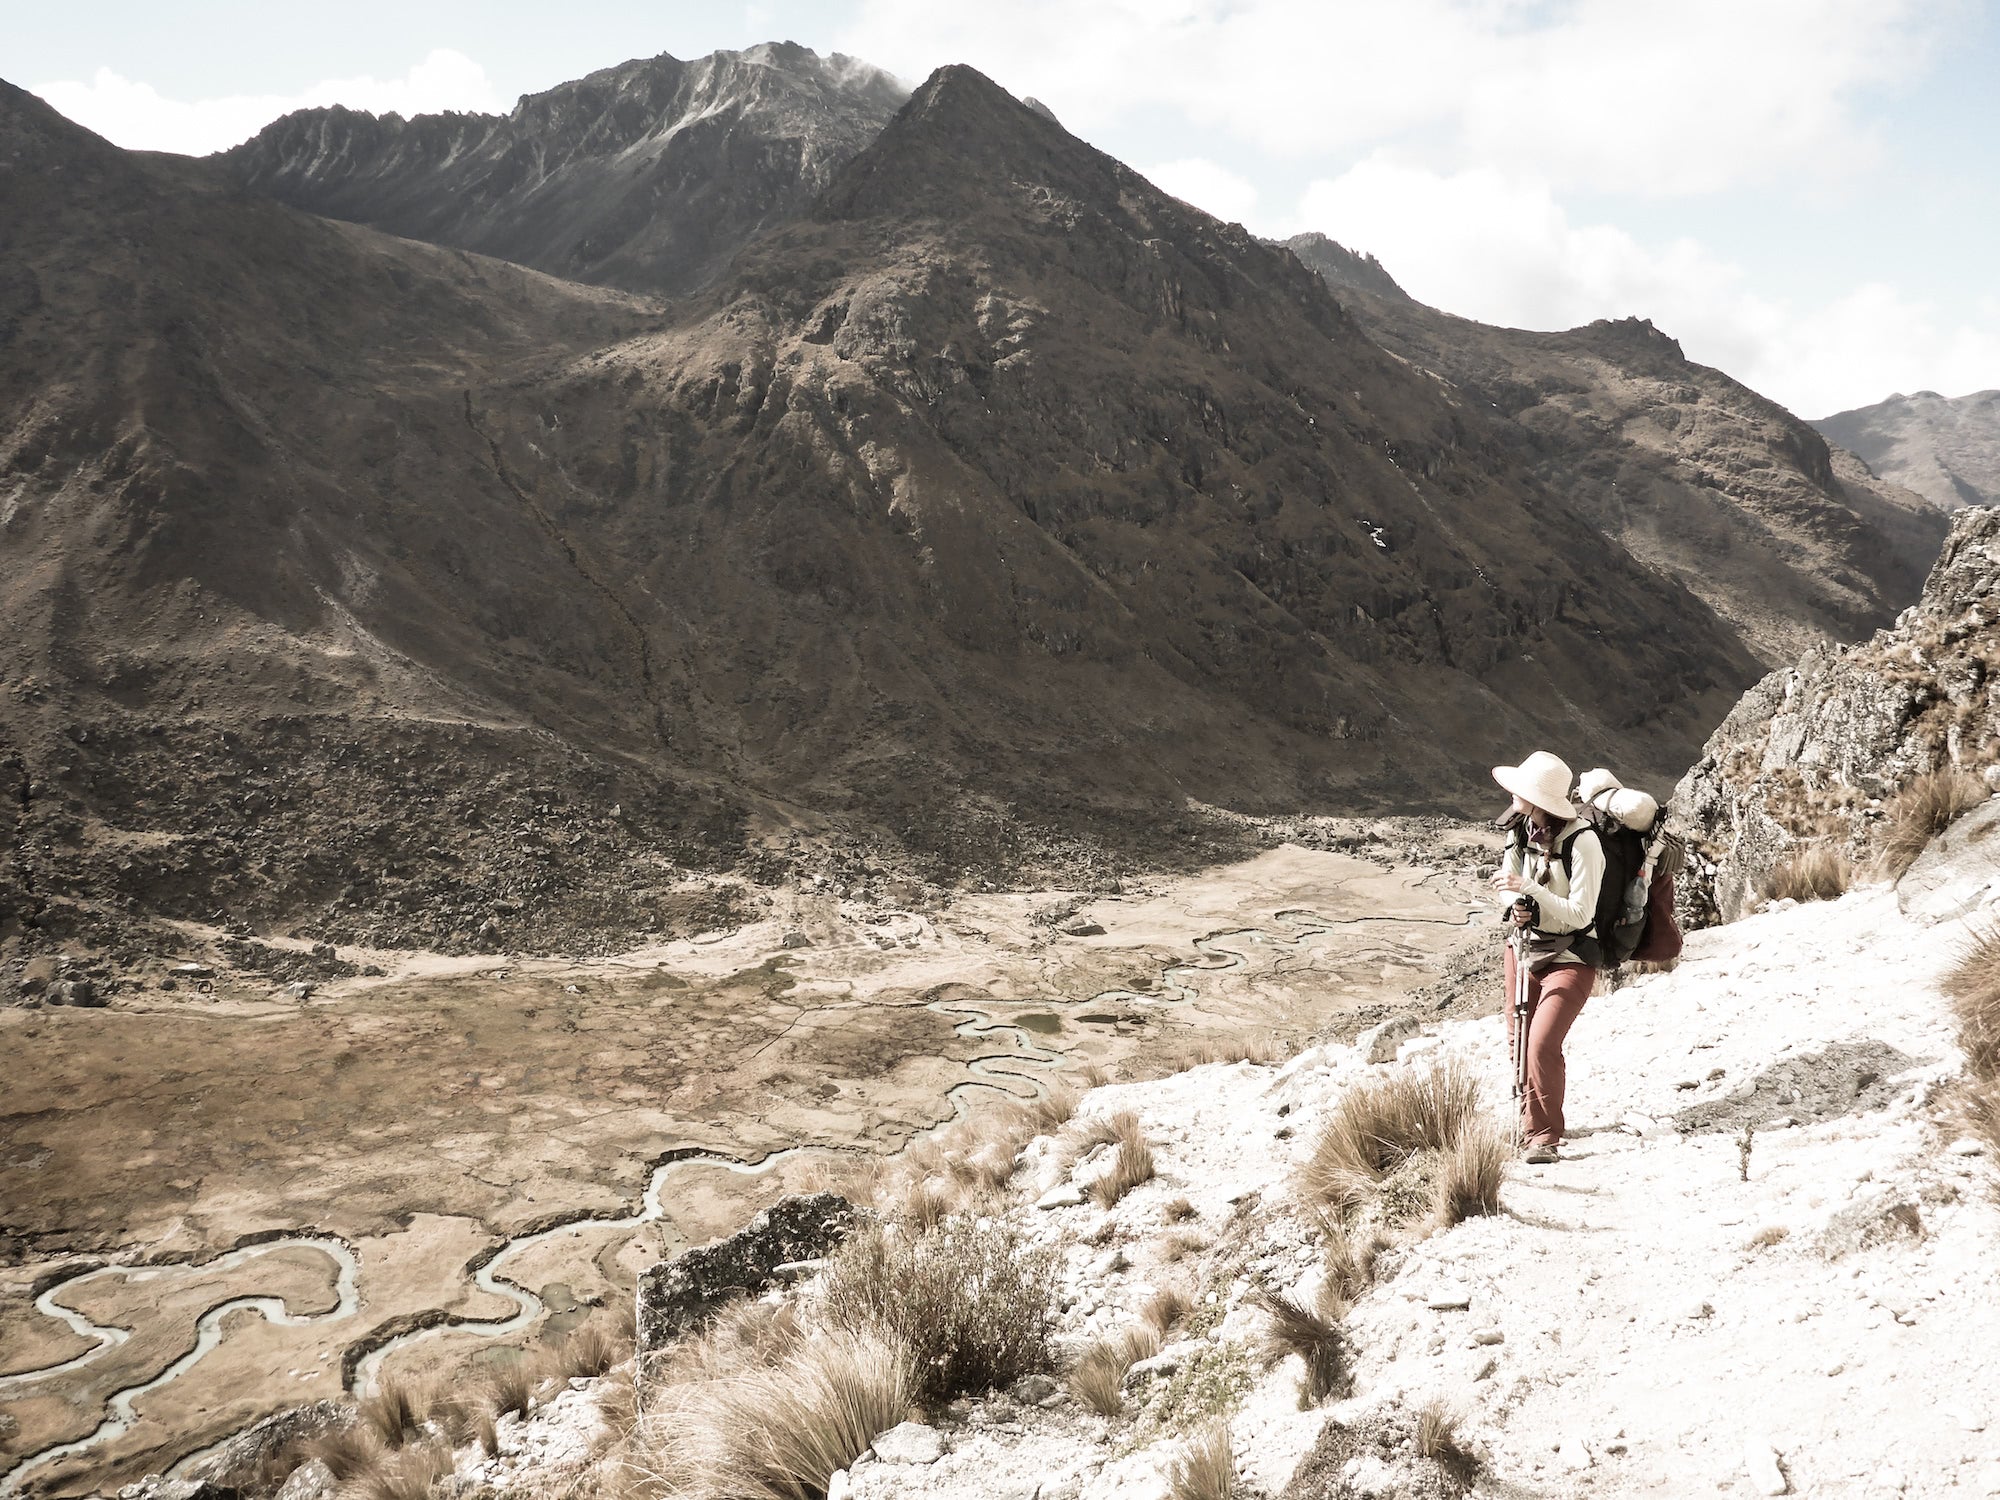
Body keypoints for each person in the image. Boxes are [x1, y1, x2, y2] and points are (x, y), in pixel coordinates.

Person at [1488, 750, 1603, 1164]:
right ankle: (1528, 1124)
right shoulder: (1520, 828)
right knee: (1518, 1041)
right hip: (1523, 948)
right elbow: (1507, 882)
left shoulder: (1583, 843)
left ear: (1538, 797)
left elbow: (1581, 913)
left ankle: (1544, 1137)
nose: (1512, 794)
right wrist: (1513, 903)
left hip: (1571, 955)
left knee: (1540, 1043)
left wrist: (1531, 891)